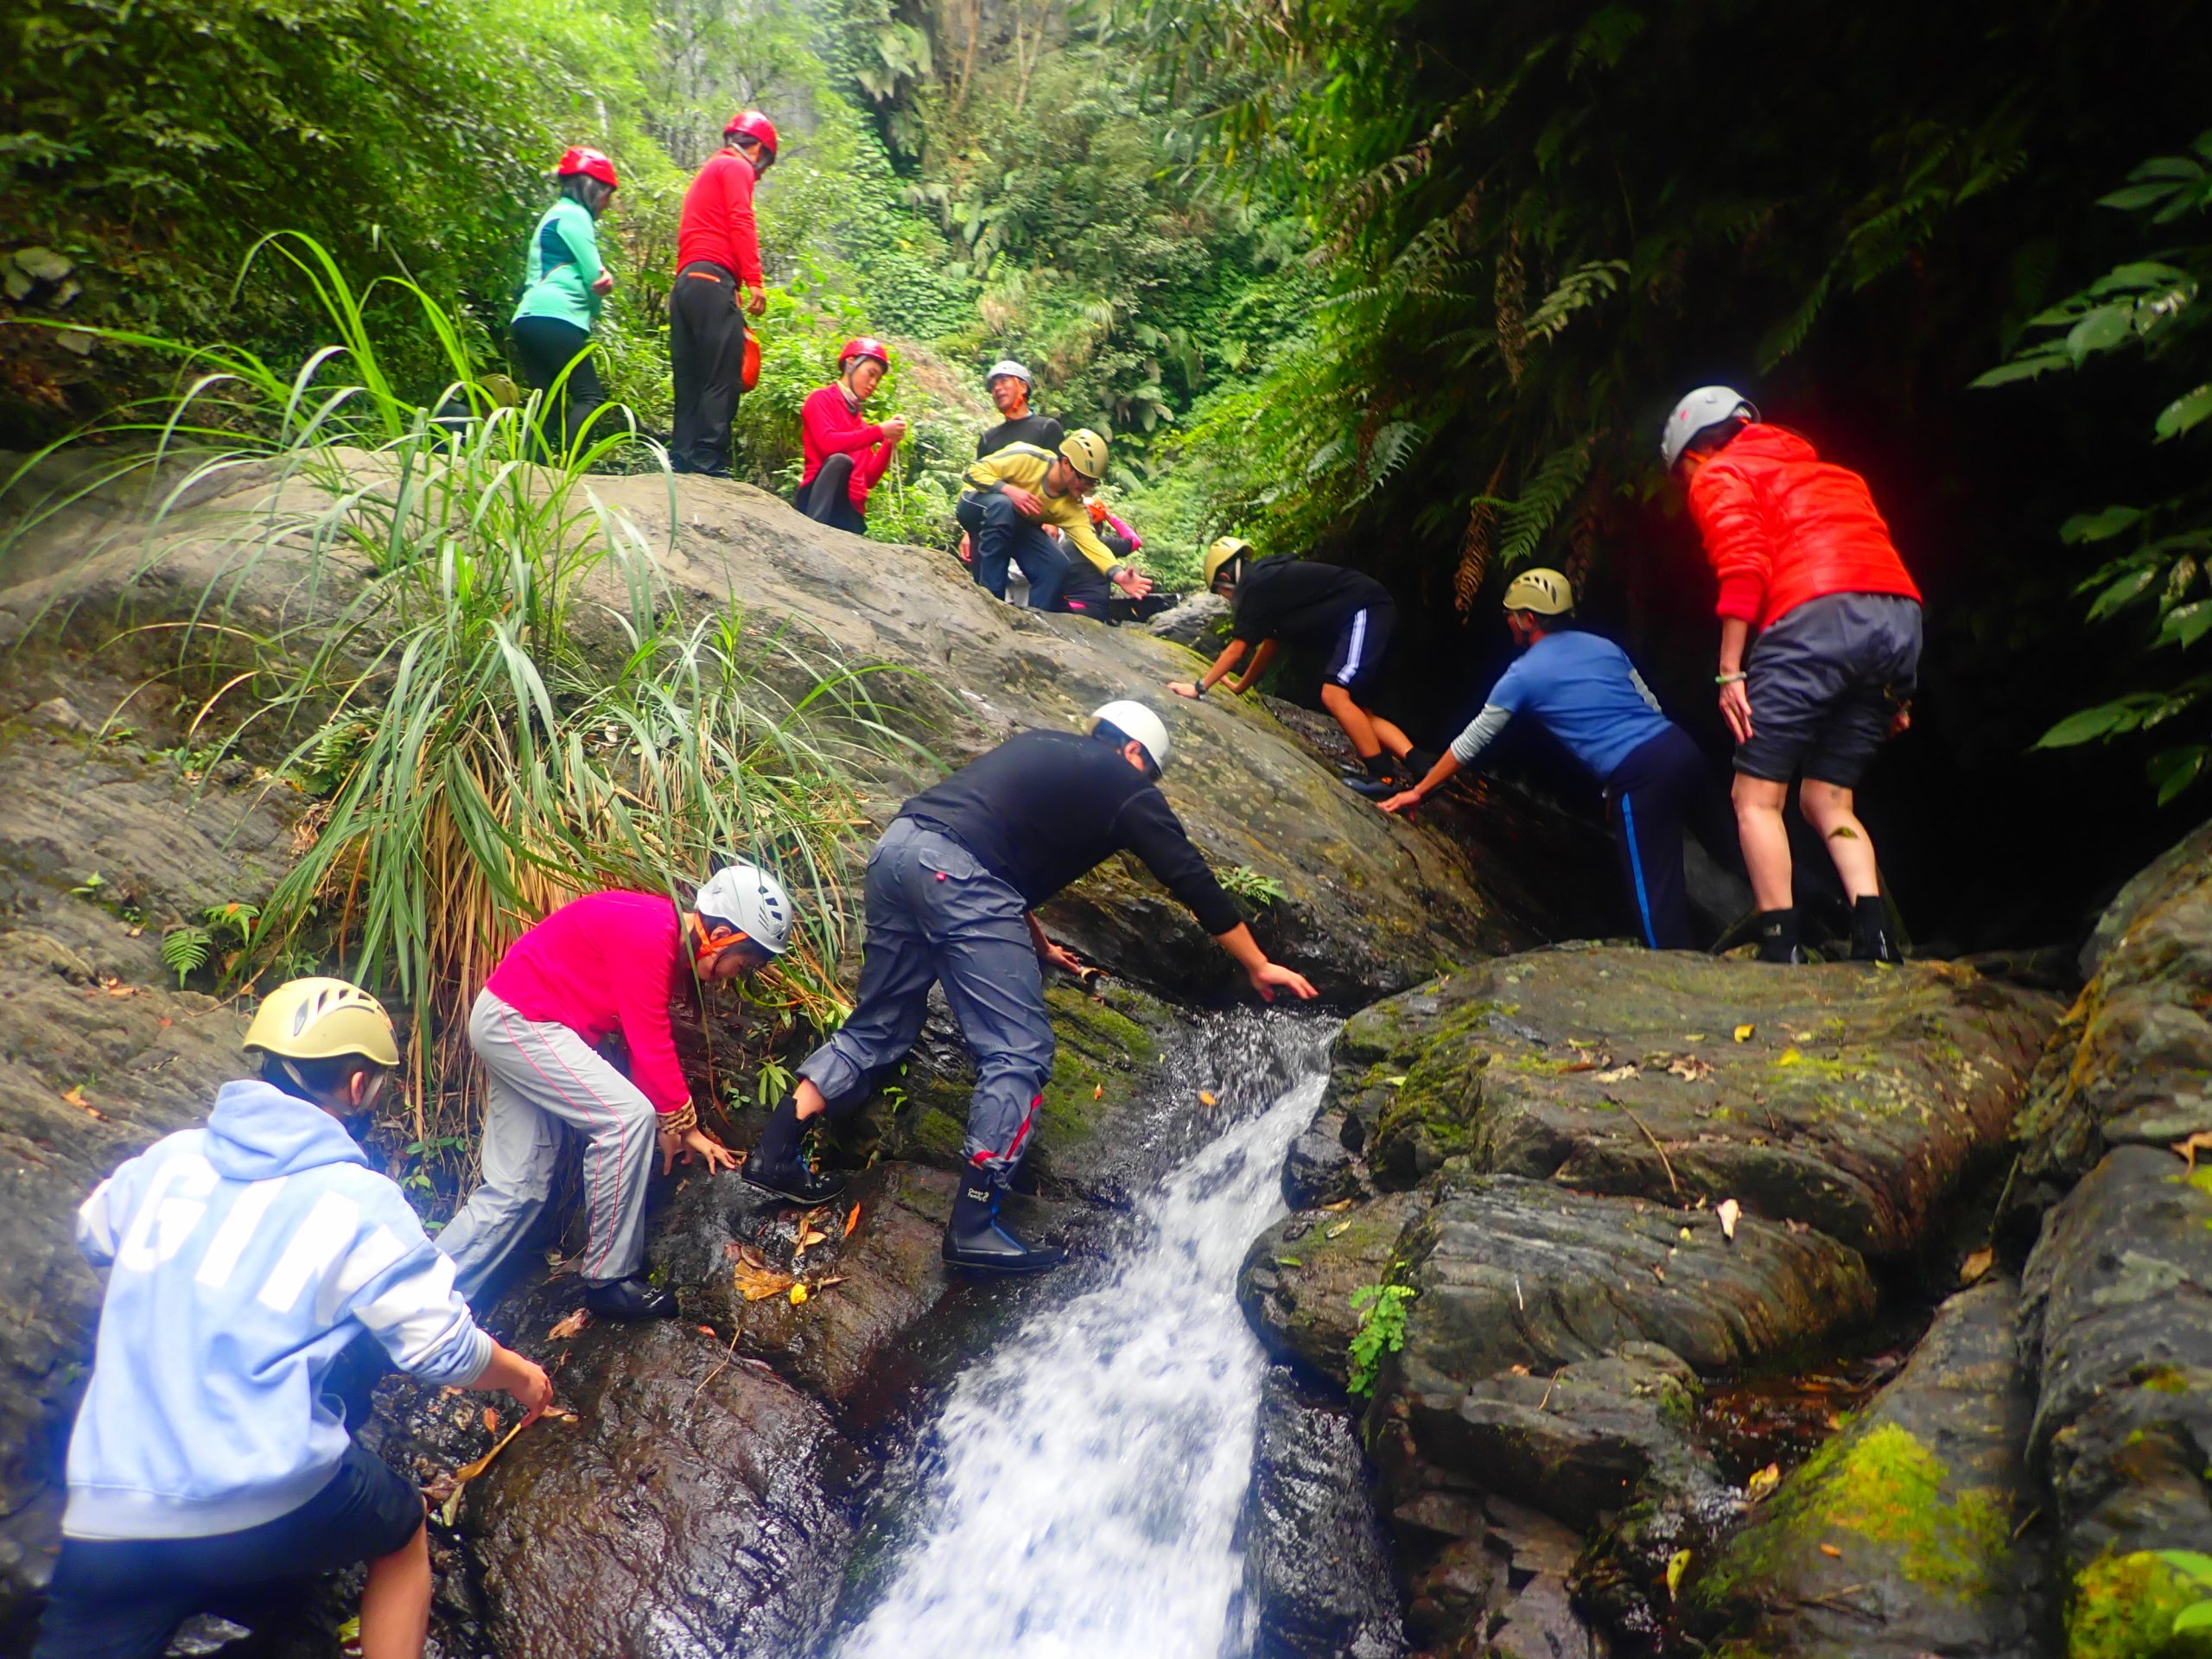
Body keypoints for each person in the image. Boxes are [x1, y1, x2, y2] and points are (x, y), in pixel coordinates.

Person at [34, 979, 551, 1659]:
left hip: (110, 1507)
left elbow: (93, 1233)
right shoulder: (358, 1199)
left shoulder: (170, 1160)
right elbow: (441, 1350)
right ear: (360, 1085)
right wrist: (519, 1378)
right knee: (400, 1529)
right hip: (261, 1498)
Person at [746, 702, 1318, 1272]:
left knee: (879, 1025)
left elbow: (989, 842)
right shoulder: (1124, 782)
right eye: (1151, 773)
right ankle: (973, 1224)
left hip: (898, 850)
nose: (1149, 785)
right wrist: (1257, 963)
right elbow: (1188, 874)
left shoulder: (1043, 745)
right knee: (1018, 1051)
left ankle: (775, 1154)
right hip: (956, 877)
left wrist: (1037, 945)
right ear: (1135, 752)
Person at [435, 863, 794, 1318]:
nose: (732, 977)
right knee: (625, 1121)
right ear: (721, 933)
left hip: (517, 1021)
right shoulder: (651, 930)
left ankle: (419, 1300)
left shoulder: (659, 937)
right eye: (741, 963)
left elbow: (639, 1033)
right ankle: (609, 1280)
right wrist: (684, 1123)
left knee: (518, 1189)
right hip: (520, 1021)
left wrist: (672, 1124)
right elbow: (650, 1039)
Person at [1662, 385, 1923, 963]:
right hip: (1898, 623)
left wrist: (1731, 669)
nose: (1688, 489)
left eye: (1682, 476)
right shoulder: (1836, 476)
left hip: (1813, 620)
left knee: (1755, 798)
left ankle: (1782, 946)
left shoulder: (1720, 473)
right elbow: (1877, 563)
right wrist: (1896, 693)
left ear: (1692, 453)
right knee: (1830, 800)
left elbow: (1743, 564)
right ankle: (1875, 939)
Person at [1378, 569, 1737, 950]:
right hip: (1680, 747)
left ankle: (1680, 985)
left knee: (1655, 901)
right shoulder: (1603, 646)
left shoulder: (1524, 674)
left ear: (1528, 619)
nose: (1507, 621)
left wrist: (1420, 791)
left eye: (1510, 614)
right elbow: (1649, 705)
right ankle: (1797, 914)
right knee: (1734, 846)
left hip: (1640, 775)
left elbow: (1472, 742)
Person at [1168, 537, 1432, 794]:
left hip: (1366, 610)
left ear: (1226, 579)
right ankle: (1423, 768)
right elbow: (1270, 645)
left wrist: (1198, 688)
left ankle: (1383, 777)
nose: (1225, 599)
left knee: (1333, 694)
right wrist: (1240, 687)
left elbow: (1238, 648)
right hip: (1368, 611)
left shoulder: (1254, 588)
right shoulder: (1267, 584)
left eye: (1220, 591)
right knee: (1359, 710)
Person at [670, 110, 777, 478]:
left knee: (690, 374)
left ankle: (682, 454)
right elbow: (740, 219)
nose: (758, 176)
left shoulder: (708, 171)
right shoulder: (736, 166)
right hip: (714, 278)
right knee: (723, 372)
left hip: (686, 282)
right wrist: (755, 280)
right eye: (763, 167)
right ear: (759, 149)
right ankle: (707, 459)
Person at [958, 431, 1154, 618]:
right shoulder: (1028, 458)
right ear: (1066, 463)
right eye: (1082, 478)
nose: (1085, 486)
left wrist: (1118, 575)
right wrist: (1008, 490)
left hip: (1017, 523)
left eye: (1092, 483)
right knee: (1004, 505)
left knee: (1056, 564)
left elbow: (1092, 544)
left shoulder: (1072, 508)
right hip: (977, 504)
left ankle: (1036, 622)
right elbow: (972, 471)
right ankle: (992, 601)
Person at [511, 147, 618, 455]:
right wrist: (603, 286)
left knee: (548, 401)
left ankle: (530, 474)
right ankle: (574, 473)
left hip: (529, 318)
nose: (607, 205)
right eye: (608, 195)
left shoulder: (555, 213)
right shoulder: (574, 215)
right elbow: (594, 277)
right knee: (589, 398)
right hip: (557, 318)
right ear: (593, 189)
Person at [794, 337, 907, 535]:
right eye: (870, 374)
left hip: (849, 510)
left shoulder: (861, 425)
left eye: (877, 380)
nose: (873, 384)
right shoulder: (820, 399)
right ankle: (812, 532)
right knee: (841, 461)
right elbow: (827, 444)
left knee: (845, 463)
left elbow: (869, 478)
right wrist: (879, 431)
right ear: (851, 363)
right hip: (817, 498)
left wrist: (888, 442)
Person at [974, 359, 1063, 458]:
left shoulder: (1047, 428)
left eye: (1004, 381)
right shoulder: (987, 439)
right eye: (994, 385)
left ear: (1023, 387)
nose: (997, 388)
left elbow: (1060, 471)